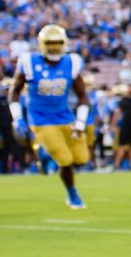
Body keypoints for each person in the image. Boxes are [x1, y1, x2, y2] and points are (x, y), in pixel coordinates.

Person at [9, 25, 91, 208]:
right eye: (50, 43)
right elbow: (14, 92)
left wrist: (80, 123)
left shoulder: (72, 62)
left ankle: (45, 154)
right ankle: (73, 195)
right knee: (65, 160)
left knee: (82, 159)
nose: (54, 48)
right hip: (40, 119)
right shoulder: (29, 62)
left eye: (58, 43)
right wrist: (17, 118)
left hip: (65, 117)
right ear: (42, 44)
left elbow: (83, 96)